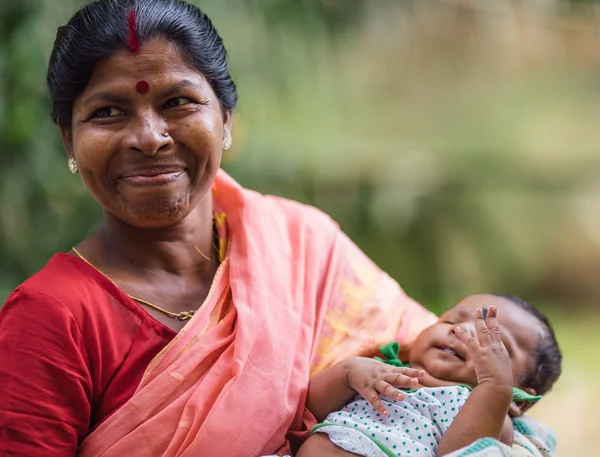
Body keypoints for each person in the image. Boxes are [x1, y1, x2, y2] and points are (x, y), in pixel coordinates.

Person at [0, 1, 439, 456]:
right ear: (69, 138)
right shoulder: (53, 315)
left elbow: (446, 382)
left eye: (177, 102)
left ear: (226, 118)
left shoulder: (300, 244)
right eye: (108, 112)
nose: (150, 137)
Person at [296, 294, 562, 457]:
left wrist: (494, 389)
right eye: (450, 321)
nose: (462, 332)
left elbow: (463, 454)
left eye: (492, 340)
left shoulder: (484, 408)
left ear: (517, 399)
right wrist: (349, 372)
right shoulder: (383, 368)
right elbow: (310, 408)